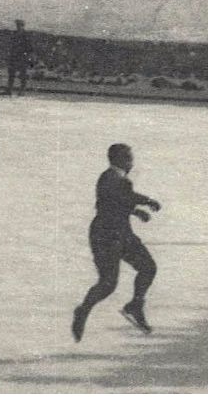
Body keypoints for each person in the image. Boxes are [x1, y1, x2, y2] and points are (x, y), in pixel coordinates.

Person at [72, 143, 162, 340]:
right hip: (108, 236)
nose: (132, 162)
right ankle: (84, 310)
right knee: (109, 283)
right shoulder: (114, 178)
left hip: (116, 233)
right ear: (120, 159)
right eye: (129, 158)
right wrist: (147, 201)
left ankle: (135, 305)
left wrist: (135, 211)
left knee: (147, 267)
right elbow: (123, 197)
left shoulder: (112, 178)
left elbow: (112, 202)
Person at [3, 20, 35, 96]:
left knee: (23, 75)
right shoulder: (14, 34)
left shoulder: (26, 36)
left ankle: (22, 91)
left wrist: (27, 56)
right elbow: (11, 46)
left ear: (22, 26)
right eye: (17, 25)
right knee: (11, 74)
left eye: (19, 25)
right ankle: (9, 90)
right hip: (14, 57)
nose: (18, 27)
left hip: (22, 58)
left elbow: (30, 48)